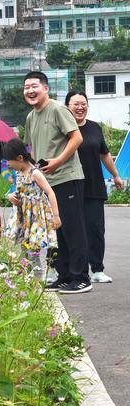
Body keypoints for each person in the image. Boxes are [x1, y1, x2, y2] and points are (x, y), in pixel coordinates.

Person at [23, 71, 91, 294]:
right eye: (26, 88)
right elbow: (31, 150)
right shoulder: (31, 117)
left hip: (67, 177)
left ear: (45, 89)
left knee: (73, 229)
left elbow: (77, 137)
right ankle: (64, 276)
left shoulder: (58, 109)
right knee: (57, 230)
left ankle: (81, 277)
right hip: (47, 182)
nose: (30, 91)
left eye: (34, 86)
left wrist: (58, 161)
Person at [66, 91, 125, 283]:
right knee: (75, 230)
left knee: (96, 229)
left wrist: (116, 175)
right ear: (67, 106)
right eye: (76, 104)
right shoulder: (64, 129)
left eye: (83, 103)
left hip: (94, 187)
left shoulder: (94, 128)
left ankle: (97, 269)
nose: (80, 107)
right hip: (71, 187)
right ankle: (76, 270)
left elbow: (104, 154)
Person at [3, 139, 61, 277]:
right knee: (24, 247)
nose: (8, 165)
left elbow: (50, 192)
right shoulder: (19, 173)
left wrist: (56, 216)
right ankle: (26, 277)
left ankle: (37, 280)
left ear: (20, 158)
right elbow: (19, 192)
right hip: (23, 217)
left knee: (33, 249)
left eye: (10, 162)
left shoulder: (35, 173)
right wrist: (11, 196)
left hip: (36, 217)